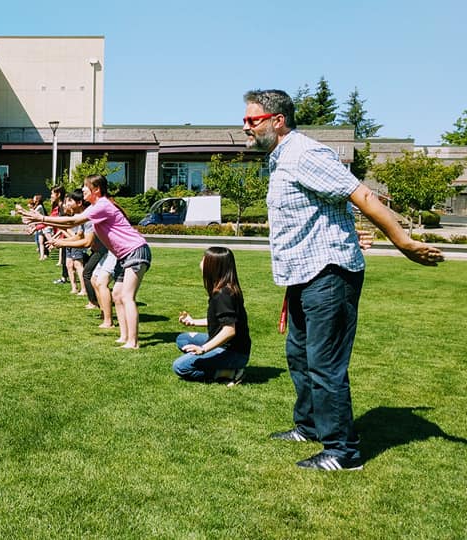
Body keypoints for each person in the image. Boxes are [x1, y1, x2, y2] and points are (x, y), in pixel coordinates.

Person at [243, 89, 444, 471]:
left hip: (329, 275)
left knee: (324, 364)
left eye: (252, 121)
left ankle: (342, 452)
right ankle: (310, 427)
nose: (245, 128)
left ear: (277, 121)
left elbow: (361, 194)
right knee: (298, 355)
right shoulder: (279, 159)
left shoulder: (304, 154)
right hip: (303, 275)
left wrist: (402, 241)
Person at [22, 175, 151, 349]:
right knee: (117, 295)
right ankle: (124, 336)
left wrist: (41, 218)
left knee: (127, 296)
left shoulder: (102, 205)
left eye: (85, 187)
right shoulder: (97, 207)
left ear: (96, 189)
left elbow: (72, 220)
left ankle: (133, 342)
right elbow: (72, 225)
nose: (82, 190)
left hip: (135, 250)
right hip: (124, 255)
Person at [173, 247, 250, 384]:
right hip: (227, 345)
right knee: (182, 339)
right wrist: (193, 322)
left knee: (181, 366)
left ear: (214, 266)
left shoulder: (224, 295)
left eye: (204, 259)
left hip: (233, 352)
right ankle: (213, 361)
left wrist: (203, 349)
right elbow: (221, 320)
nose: (201, 262)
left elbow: (229, 330)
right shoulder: (224, 288)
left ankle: (230, 372)